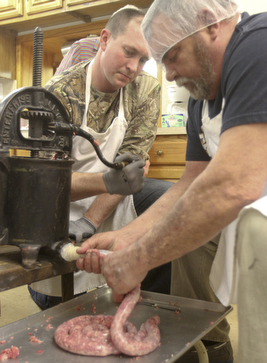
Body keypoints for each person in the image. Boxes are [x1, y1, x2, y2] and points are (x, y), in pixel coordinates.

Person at [75, 0, 267, 363]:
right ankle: (211, 345)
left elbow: (235, 183)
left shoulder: (257, 47)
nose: (169, 73)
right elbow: (188, 186)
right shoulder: (200, 99)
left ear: (209, 24)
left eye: (173, 55)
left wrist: (137, 260)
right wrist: (126, 237)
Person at [28, 5, 173, 311]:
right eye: (129, 52)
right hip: (59, 209)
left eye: (144, 59)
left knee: (168, 200)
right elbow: (45, 184)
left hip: (113, 204)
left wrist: (91, 220)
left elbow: (129, 176)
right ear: (105, 39)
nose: (134, 67)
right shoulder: (60, 93)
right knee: (66, 309)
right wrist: (106, 182)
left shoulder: (145, 90)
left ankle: (153, 308)